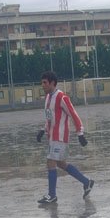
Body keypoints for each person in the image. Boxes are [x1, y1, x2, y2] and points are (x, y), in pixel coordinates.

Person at [36, 70, 94, 204]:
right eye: (42, 83)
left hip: (60, 137)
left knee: (50, 161)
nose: (42, 85)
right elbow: (49, 119)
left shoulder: (62, 97)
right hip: (52, 138)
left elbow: (74, 114)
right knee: (61, 163)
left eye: (45, 83)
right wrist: (42, 130)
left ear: (52, 83)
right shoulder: (48, 98)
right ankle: (87, 182)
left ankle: (52, 196)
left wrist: (80, 133)